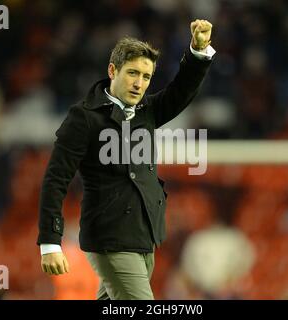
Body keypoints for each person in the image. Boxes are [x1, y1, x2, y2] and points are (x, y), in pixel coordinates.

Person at [37, 19, 215, 300]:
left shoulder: (147, 111)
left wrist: (197, 51)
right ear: (112, 70)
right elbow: (56, 179)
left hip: (144, 237)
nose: (139, 83)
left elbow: (181, 90)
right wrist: (50, 241)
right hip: (110, 238)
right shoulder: (83, 118)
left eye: (146, 77)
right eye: (133, 73)